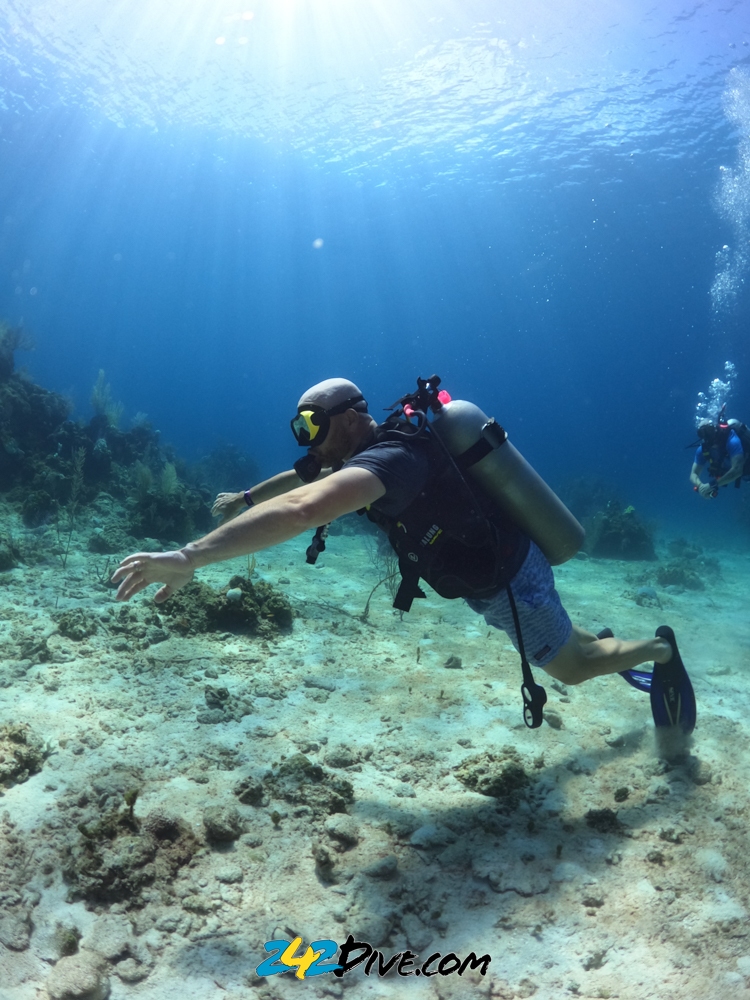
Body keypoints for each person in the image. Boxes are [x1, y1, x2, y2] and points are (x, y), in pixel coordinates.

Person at [112, 377, 695, 733]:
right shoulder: (364, 451)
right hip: (491, 578)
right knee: (563, 641)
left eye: (311, 424)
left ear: (348, 417)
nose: (306, 439)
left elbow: (303, 509)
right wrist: (245, 498)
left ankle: (660, 649)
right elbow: (301, 480)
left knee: (570, 669)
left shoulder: (391, 461)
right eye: (299, 427)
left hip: (508, 579)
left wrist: (190, 557)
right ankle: (590, 639)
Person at [690, 416, 750, 498]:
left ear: (715, 428)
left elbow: (737, 470)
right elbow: (693, 474)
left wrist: (712, 485)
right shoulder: (703, 450)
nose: (707, 436)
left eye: (709, 430)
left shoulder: (732, 440)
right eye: (702, 433)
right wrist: (701, 487)